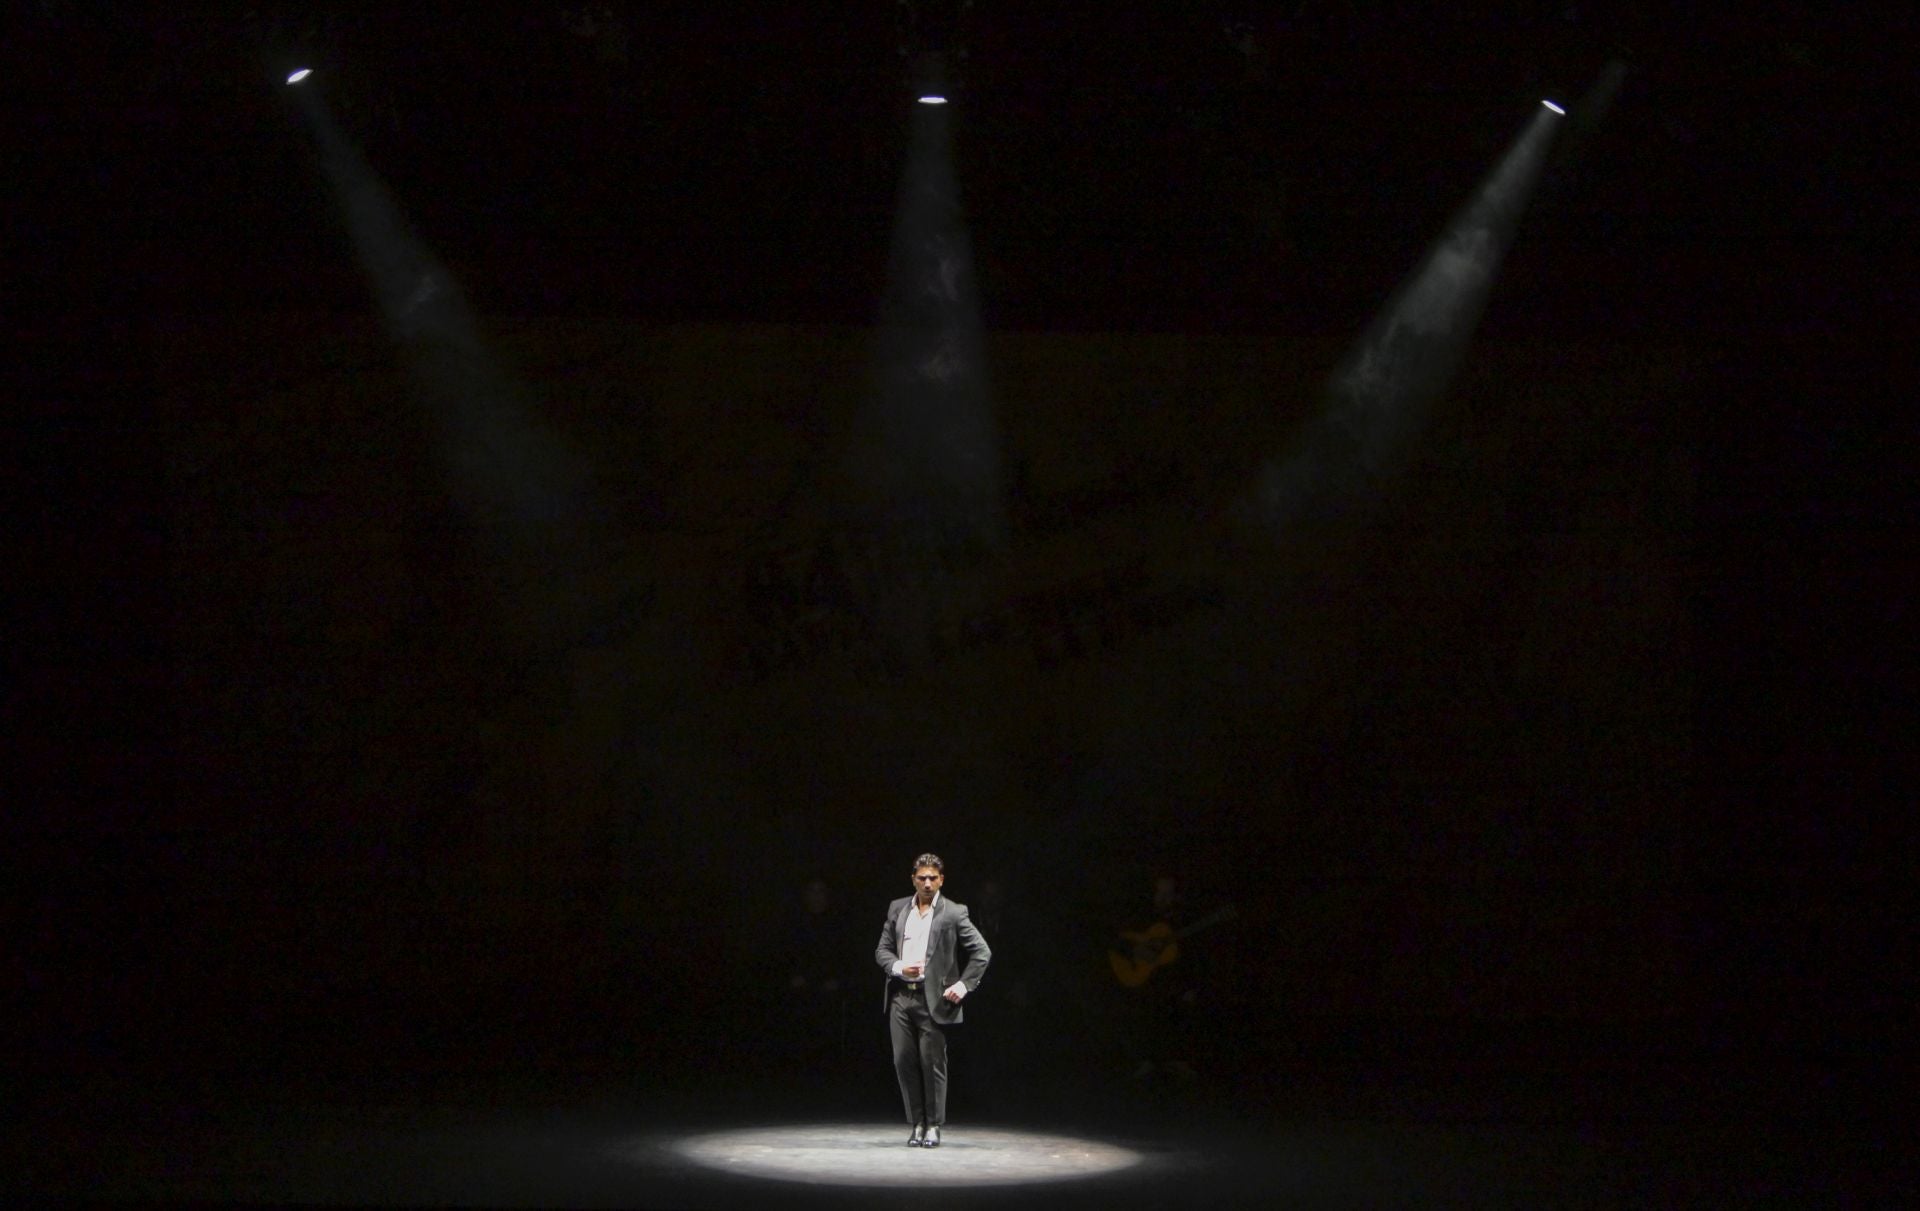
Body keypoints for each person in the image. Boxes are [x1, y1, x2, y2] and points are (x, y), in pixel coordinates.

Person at [874, 852, 992, 1147]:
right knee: (904, 1060)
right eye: (922, 878)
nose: (927, 883)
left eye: (933, 878)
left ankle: (934, 1125)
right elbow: (883, 951)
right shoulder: (898, 908)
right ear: (913, 879)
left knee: (932, 1062)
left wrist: (963, 985)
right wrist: (899, 967)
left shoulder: (953, 912)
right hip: (902, 996)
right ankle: (916, 1123)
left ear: (942, 879)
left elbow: (982, 951)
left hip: (932, 1000)